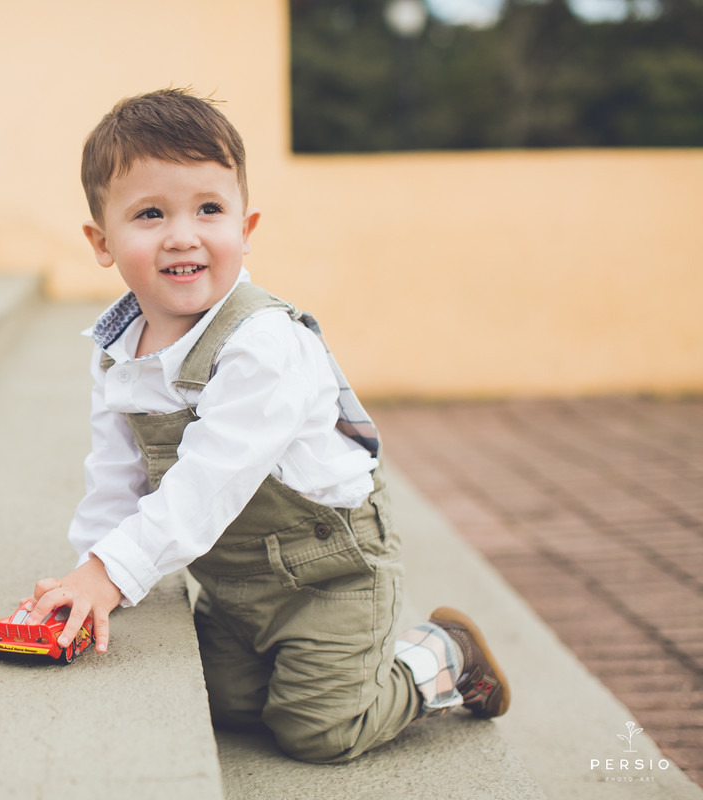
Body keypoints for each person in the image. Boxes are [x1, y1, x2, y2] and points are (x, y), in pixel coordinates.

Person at [26, 88, 510, 763]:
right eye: (150, 213)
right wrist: (88, 575)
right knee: (223, 704)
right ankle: (299, 663)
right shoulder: (117, 352)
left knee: (321, 729)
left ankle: (440, 658)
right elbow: (116, 475)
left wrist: (114, 572)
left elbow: (208, 481)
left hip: (331, 572)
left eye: (209, 209)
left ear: (246, 228)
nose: (183, 235)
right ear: (101, 242)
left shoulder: (263, 345)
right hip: (234, 582)